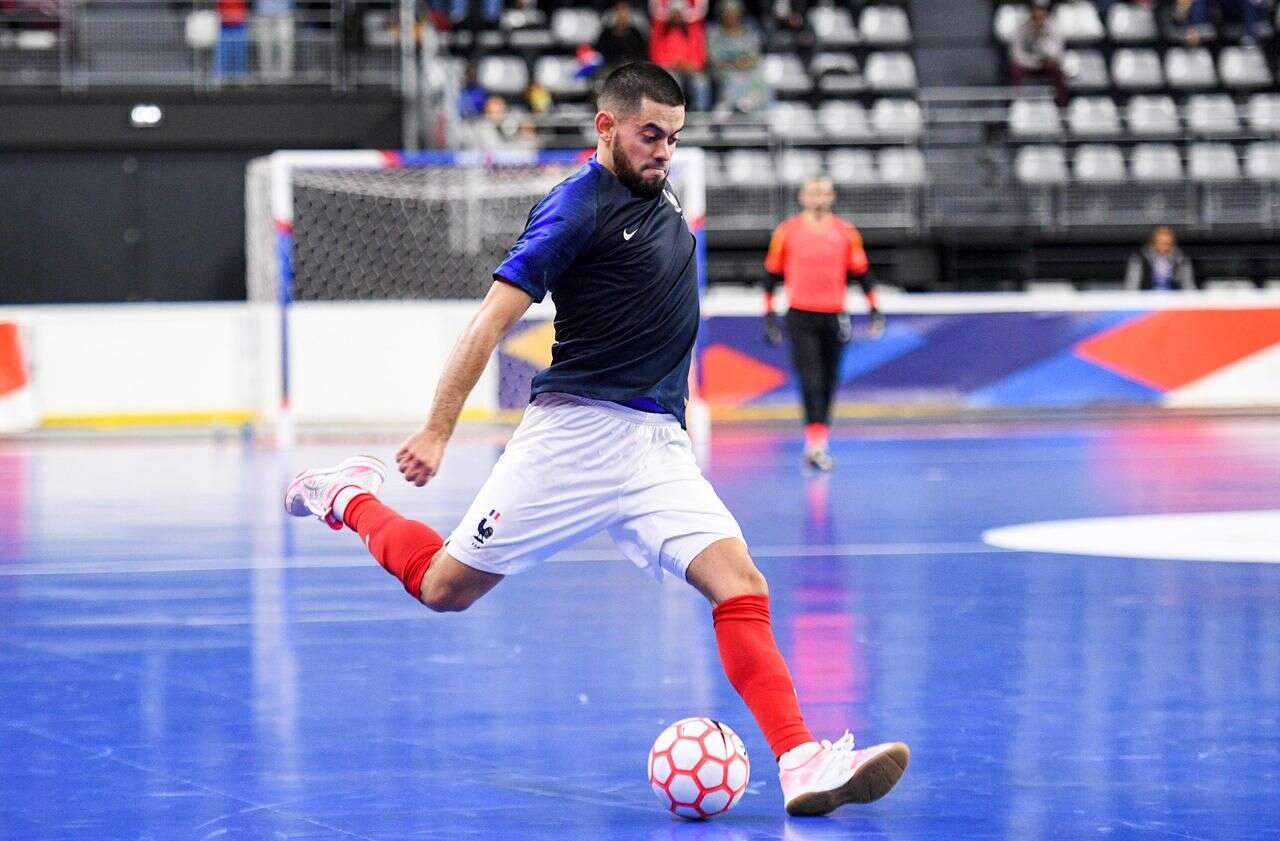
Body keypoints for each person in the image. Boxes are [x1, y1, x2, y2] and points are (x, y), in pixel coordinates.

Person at [284, 61, 909, 817]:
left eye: (674, 137)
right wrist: (438, 428)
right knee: (443, 588)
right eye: (651, 134)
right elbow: (490, 319)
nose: (665, 151)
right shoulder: (573, 208)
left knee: (741, 584)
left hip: (657, 446)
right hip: (573, 439)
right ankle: (344, 495)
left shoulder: (655, 184)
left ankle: (800, 759)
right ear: (605, 127)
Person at [763, 176, 883, 472]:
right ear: (802, 197)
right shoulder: (787, 232)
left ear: (832, 197)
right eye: (813, 193)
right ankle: (815, 444)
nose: (818, 199)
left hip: (834, 315)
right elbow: (771, 278)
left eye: (824, 193)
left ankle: (820, 438)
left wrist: (875, 309)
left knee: (829, 381)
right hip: (800, 315)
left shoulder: (846, 233)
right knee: (811, 378)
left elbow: (862, 274)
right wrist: (769, 316)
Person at [707, 0, 769, 114]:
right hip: (724, 72)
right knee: (734, 78)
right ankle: (732, 108)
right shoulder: (714, 34)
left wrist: (743, 63)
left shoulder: (750, 32)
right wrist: (736, 63)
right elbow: (715, 60)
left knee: (760, 78)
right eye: (728, 14)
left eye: (734, 14)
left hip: (747, 70)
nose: (732, 17)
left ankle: (753, 109)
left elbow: (754, 56)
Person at [648, 0, 712, 110]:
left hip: (690, 68)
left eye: (679, 13)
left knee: (701, 82)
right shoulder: (660, 30)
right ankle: (673, 113)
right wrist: (673, 64)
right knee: (674, 80)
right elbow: (655, 55)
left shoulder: (694, 30)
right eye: (674, 12)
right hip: (669, 68)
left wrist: (691, 65)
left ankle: (700, 114)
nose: (676, 16)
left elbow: (700, 54)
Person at [1010, 1, 1068, 107]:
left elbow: (1058, 52)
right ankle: (1013, 105)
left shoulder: (1054, 27)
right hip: (1028, 65)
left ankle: (1062, 106)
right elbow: (1017, 54)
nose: (1039, 20)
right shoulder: (1021, 28)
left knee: (1058, 72)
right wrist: (1033, 62)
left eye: (1041, 16)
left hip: (1047, 64)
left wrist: (1042, 39)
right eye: (1036, 16)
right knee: (1015, 72)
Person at [1124, 226, 1196, 290]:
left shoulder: (1180, 258)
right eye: (1160, 243)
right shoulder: (1140, 258)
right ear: (1153, 243)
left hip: (1174, 299)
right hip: (1146, 298)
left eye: (1167, 244)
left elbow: (1188, 284)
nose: (1164, 247)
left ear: (1172, 244)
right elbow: (1132, 284)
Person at [595, 0, 649, 70]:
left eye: (625, 10)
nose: (622, 14)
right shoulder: (606, 35)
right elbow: (599, 56)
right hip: (610, 70)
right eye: (618, 10)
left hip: (632, 70)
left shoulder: (635, 34)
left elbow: (642, 56)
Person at [253, 0, 294, 81]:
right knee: (264, 46)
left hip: (284, 14)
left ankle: (284, 77)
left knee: (284, 45)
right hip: (263, 14)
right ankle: (265, 76)